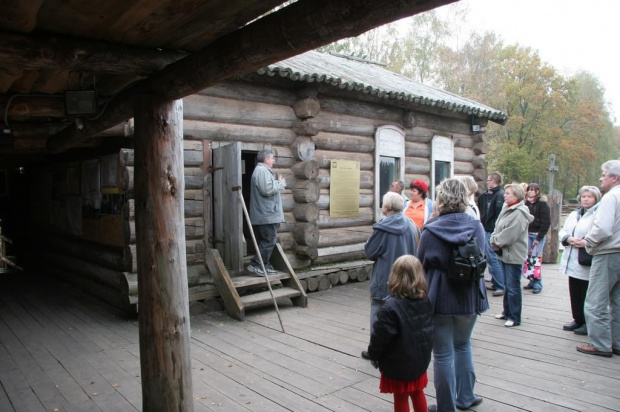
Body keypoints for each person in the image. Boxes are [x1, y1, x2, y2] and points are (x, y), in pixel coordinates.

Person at [416, 178, 488, 412]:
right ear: (465, 197)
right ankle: (466, 397)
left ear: (441, 199)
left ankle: (447, 408)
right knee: (463, 345)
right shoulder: (475, 226)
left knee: (443, 353)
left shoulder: (431, 229)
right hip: (469, 295)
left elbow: (420, 265)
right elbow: (483, 256)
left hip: (439, 297)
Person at [367, 255, 434, 412]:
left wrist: (373, 355)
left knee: (401, 396)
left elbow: (380, 337)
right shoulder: (425, 300)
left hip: (399, 363)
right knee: (418, 392)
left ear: (394, 276)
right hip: (419, 359)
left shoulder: (390, 307)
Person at [362, 191, 420, 359]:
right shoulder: (412, 226)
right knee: (403, 314)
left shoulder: (382, 228)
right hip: (408, 280)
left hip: (385, 281)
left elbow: (370, 252)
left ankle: (376, 350)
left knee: (378, 315)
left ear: (386, 208)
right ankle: (400, 347)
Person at [577, 160, 620, 358]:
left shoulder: (611, 197)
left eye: (604, 174)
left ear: (614, 177)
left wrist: (588, 242)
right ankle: (616, 342)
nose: (601, 178)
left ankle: (601, 343)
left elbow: (602, 228)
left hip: (608, 253)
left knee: (596, 301)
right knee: (617, 301)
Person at [559, 186, 601, 336]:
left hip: (585, 258)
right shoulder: (574, 214)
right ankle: (577, 318)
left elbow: (599, 232)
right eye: (584, 196)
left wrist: (585, 242)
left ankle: (586, 322)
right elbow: (563, 230)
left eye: (589, 197)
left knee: (586, 293)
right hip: (572, 258)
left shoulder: (597, 214)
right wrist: (567, 238)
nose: (586, 199)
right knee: (574, 291)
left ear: (596, 199)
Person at [490, 183, 533, 328]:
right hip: (504, 253)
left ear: (516, 196)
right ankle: (506, 311)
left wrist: (495, 241)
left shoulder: (520, 212)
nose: (504, 195)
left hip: (513, 254)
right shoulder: (506, 208)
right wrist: (494, 239)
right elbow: (497, 227)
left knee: (513, 286)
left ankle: (515, 317)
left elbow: (510, 234)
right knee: (508, 286)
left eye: (508, 193)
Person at [247, 149, 286, 276]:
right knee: (268, 241)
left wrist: (276, 182)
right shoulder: (262, 171)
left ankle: (264, 264)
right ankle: (256, 264)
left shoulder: (262, 171)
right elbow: (267, 189)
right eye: (272, 158)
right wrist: (280, 183)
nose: (274, 160)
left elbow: (267, 187)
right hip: (266, 214)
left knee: (266, 240)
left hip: (267, 214)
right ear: (266, 160)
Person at [478, 172, 505, 296]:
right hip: (485, 229)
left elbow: (498, 215)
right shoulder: (485, 196)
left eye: (488, 180)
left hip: (492, 231)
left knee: (492, 259)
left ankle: (500, 285)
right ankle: (496, 282)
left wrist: (495, 231)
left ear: (493, 181)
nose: (487, 182)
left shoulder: (500, 195)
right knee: (491, 258)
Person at [523, 183, 551, 294]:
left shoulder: (542, 204)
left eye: (533, 190)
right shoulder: (525, 204)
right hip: (527, 234)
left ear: (537, 192)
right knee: (528, 259)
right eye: (529, 190)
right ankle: (531, 280)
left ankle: (537, 284)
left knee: (535, 260)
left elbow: (546, 222)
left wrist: (539, 237)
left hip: (536, 235)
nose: (530, 192)